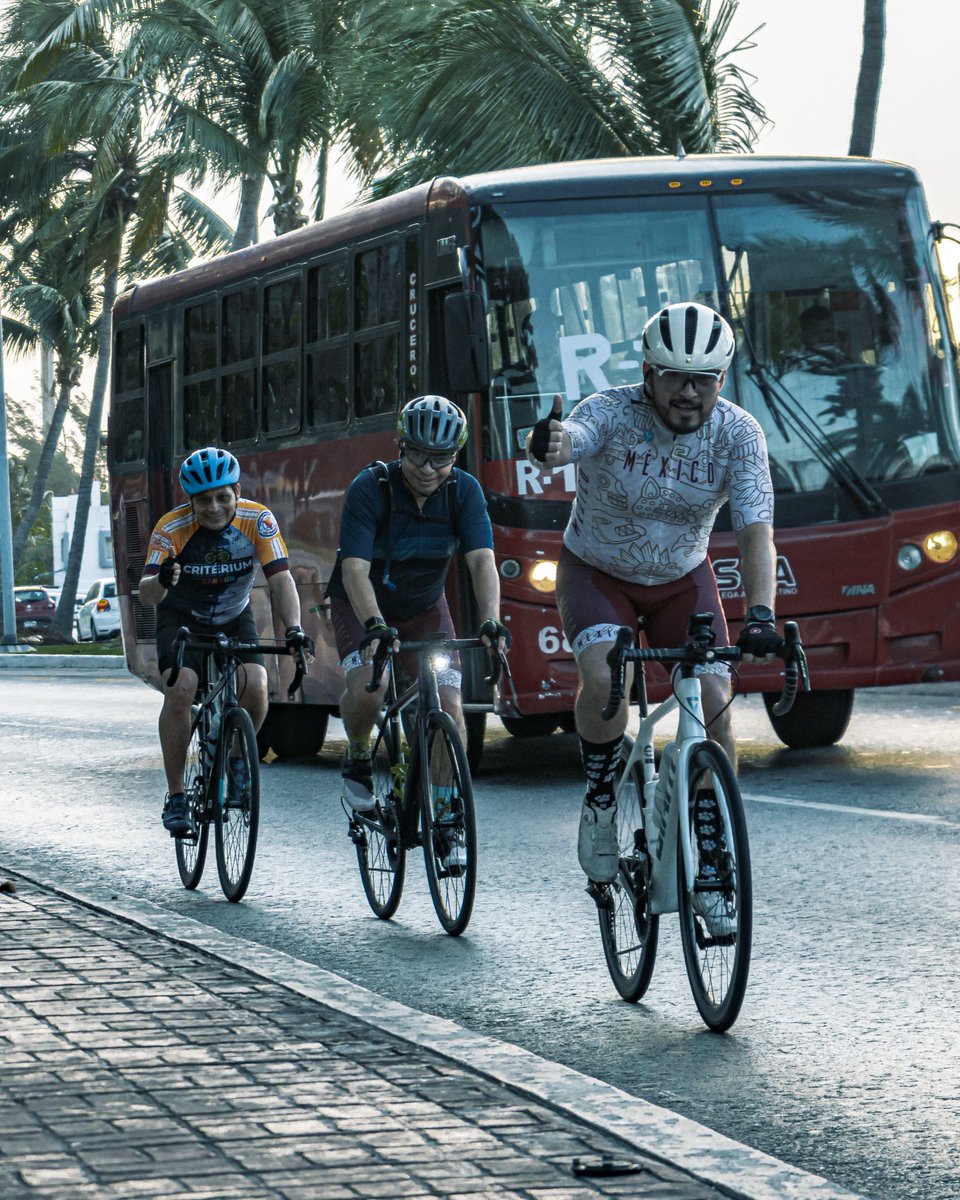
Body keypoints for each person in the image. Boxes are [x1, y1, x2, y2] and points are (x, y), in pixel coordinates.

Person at [526, 302, 781, 930]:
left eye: (704, 380)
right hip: (597, 572)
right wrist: (549, 443)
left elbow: (756, 534)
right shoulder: (610, 411)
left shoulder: (740, 433)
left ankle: (712, 857)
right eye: (674, 377)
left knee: (715, 700)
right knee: (607, 678)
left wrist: (761, 614)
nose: (689, 393)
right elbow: (569, 441)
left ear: (722, 380)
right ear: (647, 373)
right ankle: (601, 796)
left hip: (681, 580)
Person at [325, 395, 509, 865]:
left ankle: (446, 818)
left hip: (425, 607)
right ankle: (359, 753)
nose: (428, 469)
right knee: (372, 684)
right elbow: (354, 569)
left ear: (455, 457)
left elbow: (482, 562)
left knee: (448, 703)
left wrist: (491, 620)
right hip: (362, 603)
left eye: (441, 459)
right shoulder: (371, 487)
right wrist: (374, 625)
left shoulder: (464, 491)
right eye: (418, 455)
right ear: (401, 447)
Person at [139, 447, 313, 837]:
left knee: (258, 686)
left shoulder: (258, 520)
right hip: (181, 617)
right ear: (191, 501)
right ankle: (176, 795)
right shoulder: (171, 527)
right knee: (181, 689)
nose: (214, 508)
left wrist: (294, 629)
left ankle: (236, 759)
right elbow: (147, 594)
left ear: (237, 492)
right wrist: (162, 579)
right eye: (203, 500)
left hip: (234, 615)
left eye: (222, 497)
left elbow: (281, 579)